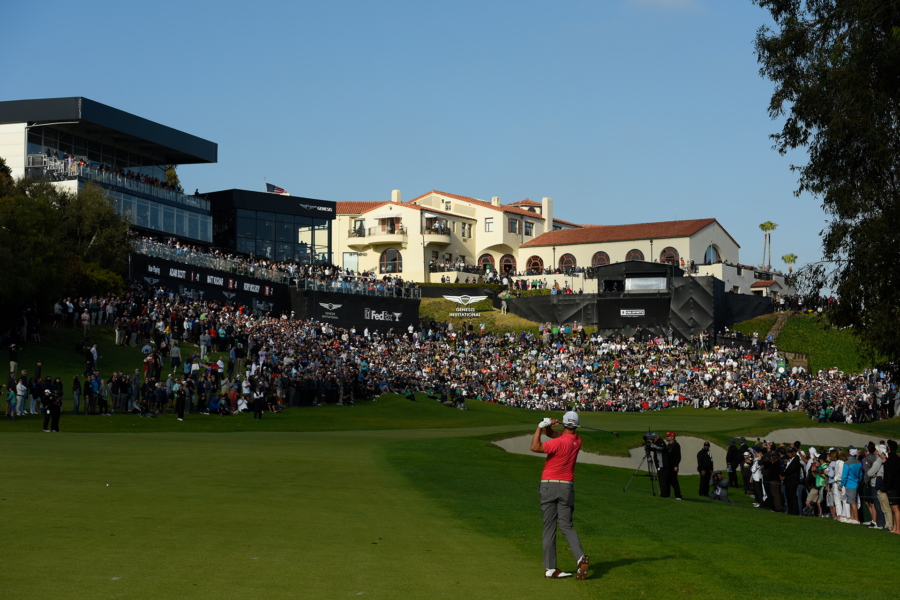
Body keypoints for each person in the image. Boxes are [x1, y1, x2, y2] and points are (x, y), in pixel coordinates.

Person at [530, 412, 589, 580]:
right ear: (575, 426)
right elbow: (552, 434)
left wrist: (540, 426)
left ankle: (550, 568)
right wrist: (548, 426)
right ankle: (580, 558)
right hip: (566, 488)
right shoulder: (577, 440)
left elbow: (535, 447)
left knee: (549, 526)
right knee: (566, 526)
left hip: (549, 486)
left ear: (564, 424)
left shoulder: (558, 443)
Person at [782, 446, 802, 515]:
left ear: (794, 453)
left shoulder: (796, 460)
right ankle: (790, 510)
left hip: (792, 482)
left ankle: (794, 511)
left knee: (792, 496)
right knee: (788, 496)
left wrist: (783, 474)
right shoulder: (791, 460)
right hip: (789, 481)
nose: (789, 454)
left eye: (790, 453)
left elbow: (790, 470)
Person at [663, 431, 682, 500]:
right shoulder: (668, 445)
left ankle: (678, 495)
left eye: (668, 436)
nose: (667, 437)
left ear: (672, 437)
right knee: (667, 481)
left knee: (673, 481)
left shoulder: (676, 445)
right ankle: (667, 495)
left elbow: (678, 457)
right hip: (668, 466)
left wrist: (676, 465)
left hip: (673, 466)